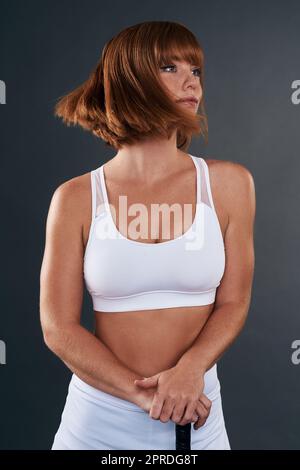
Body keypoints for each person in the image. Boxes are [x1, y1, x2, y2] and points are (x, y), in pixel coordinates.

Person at [39, 20, 256, 450]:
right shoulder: (76, 198)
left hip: (198, 417)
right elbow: (59, 328)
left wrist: (191, 370)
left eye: (195, 70)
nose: (191, 81)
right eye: (170, 68)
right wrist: (142, 395)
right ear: (131, 79)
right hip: (97, 423)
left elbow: (234, 302)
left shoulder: (230, 184)